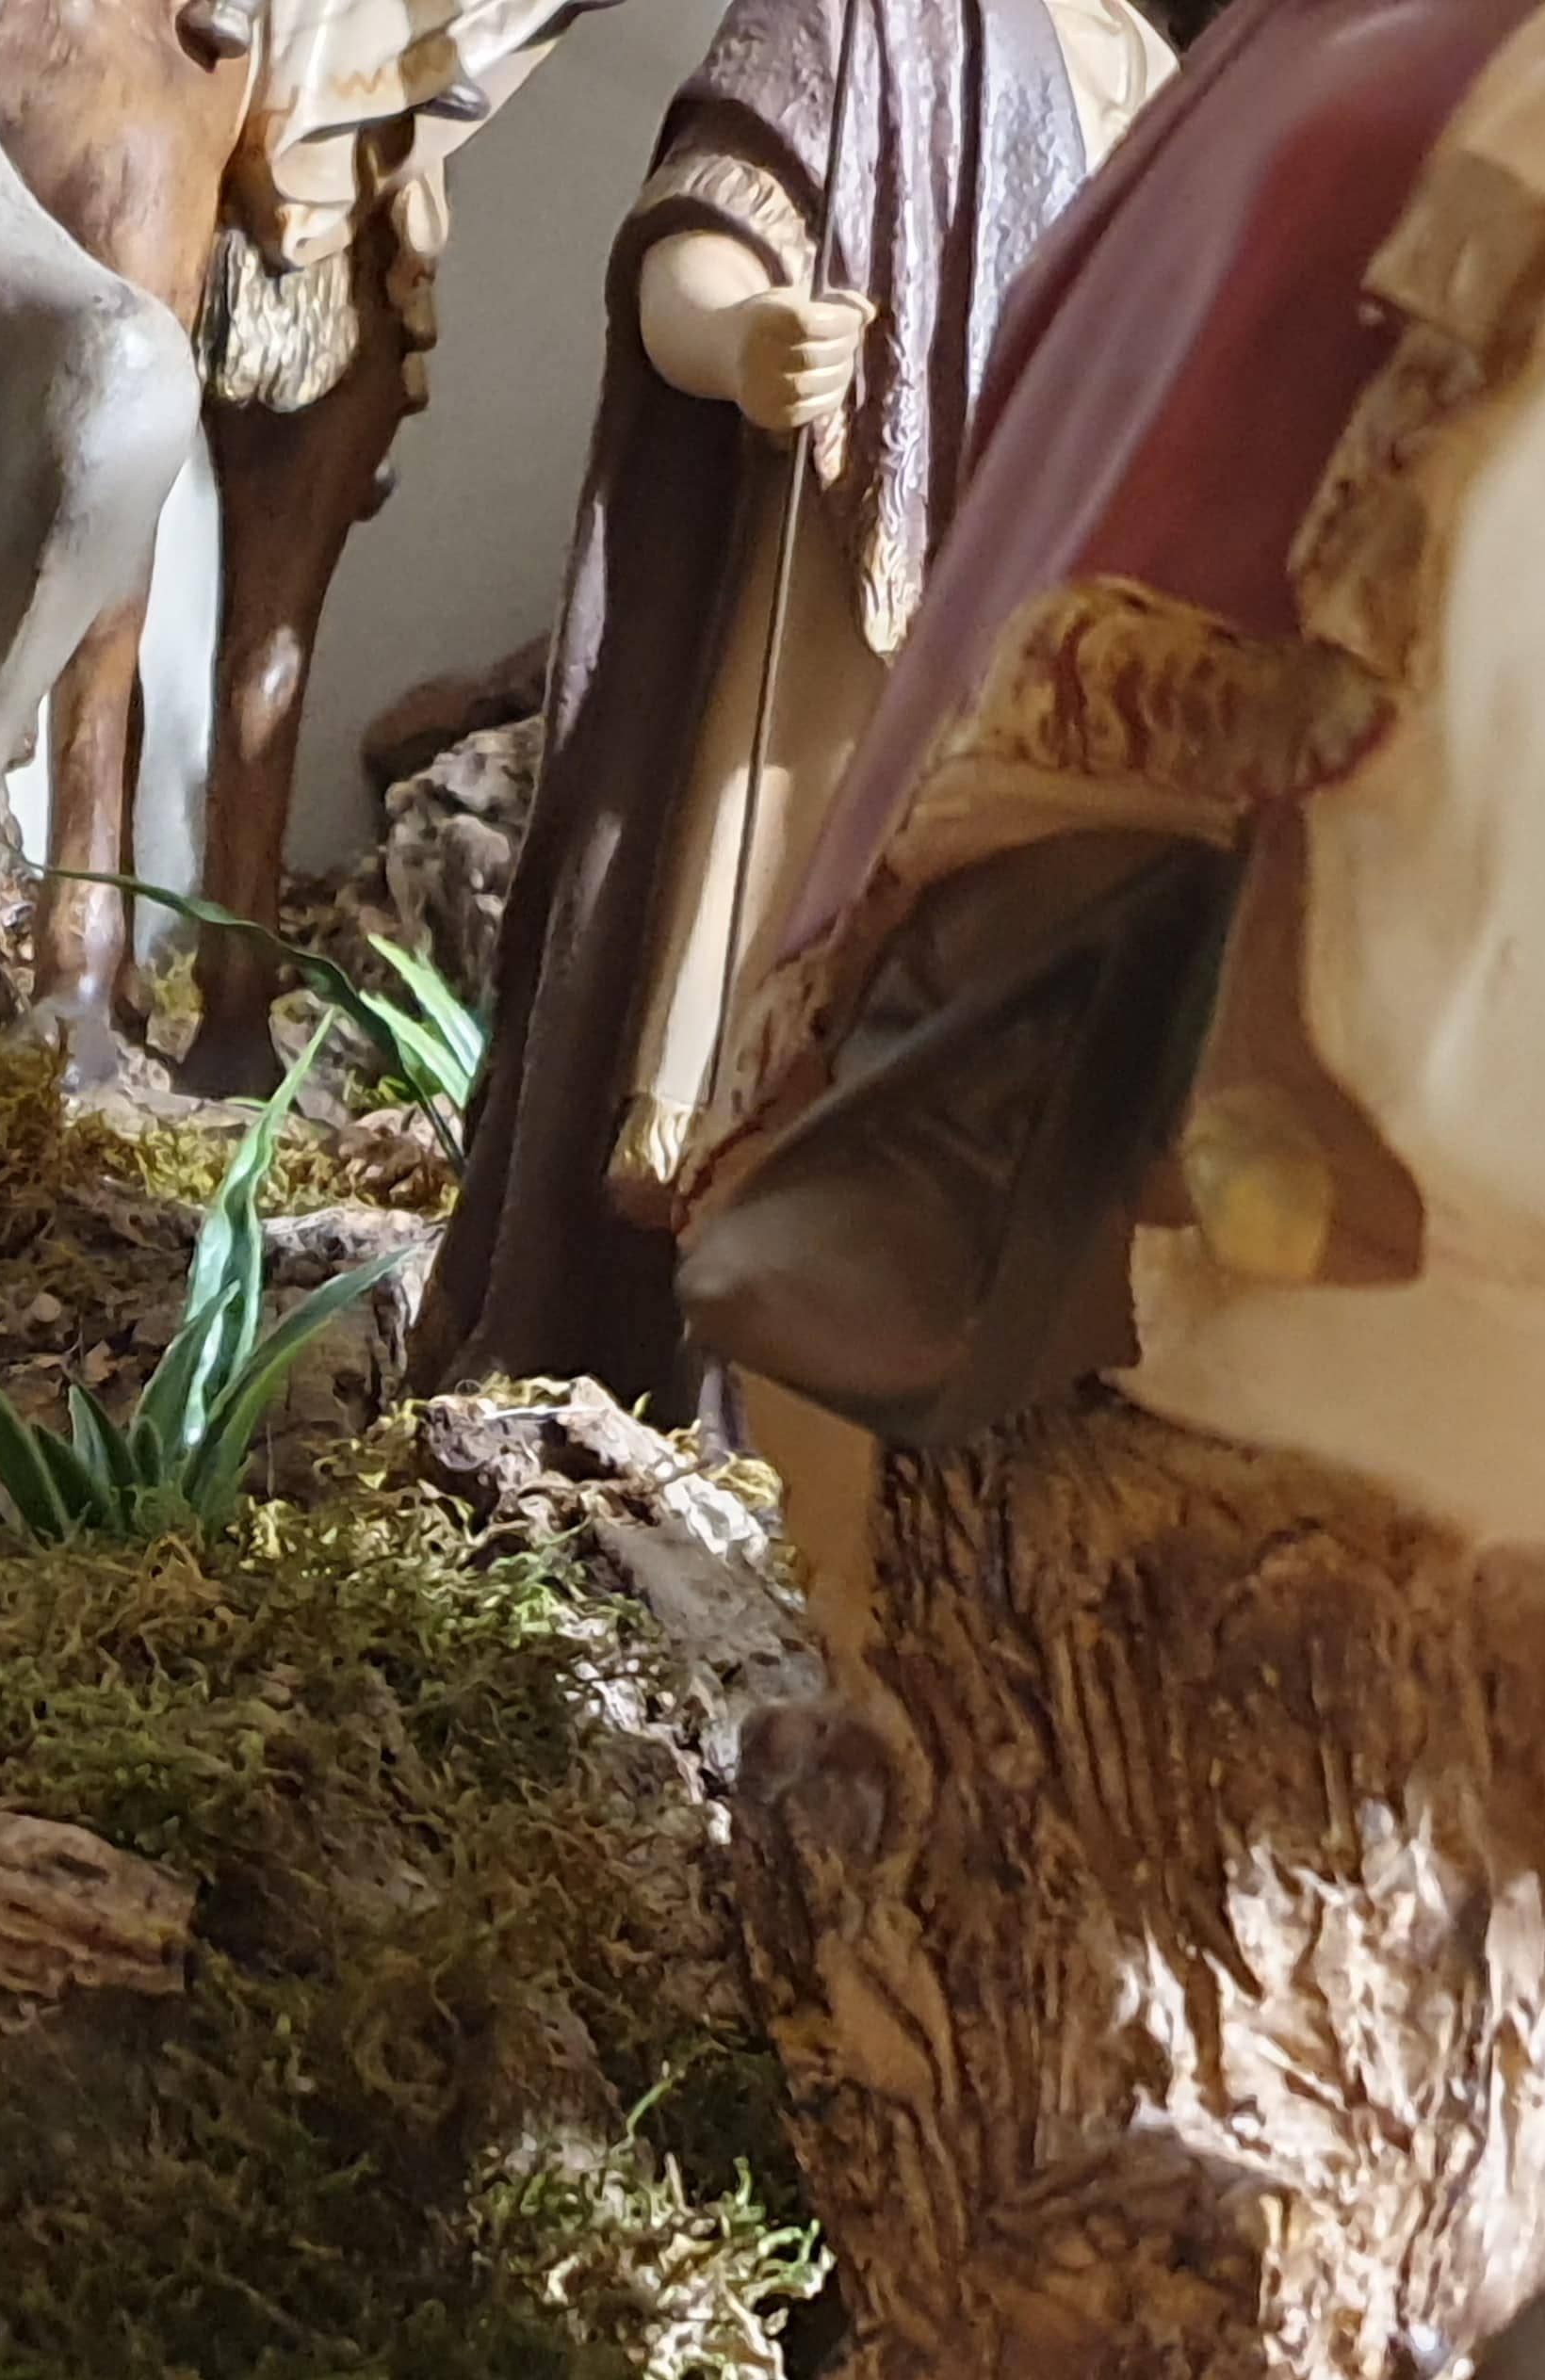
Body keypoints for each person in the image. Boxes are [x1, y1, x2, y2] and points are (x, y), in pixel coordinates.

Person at [410, 0, 1173, 1420]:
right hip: (844, 625)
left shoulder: (1156, 70)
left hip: (1050, 639)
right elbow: (697, 234)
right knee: (790, 980)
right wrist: (744, 336)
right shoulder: (869, 18)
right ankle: (705, 1374)